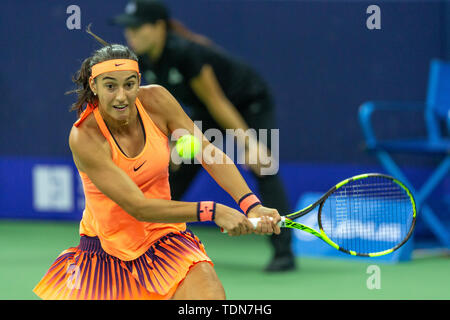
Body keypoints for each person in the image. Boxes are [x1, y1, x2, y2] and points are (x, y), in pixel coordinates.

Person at [32, 36, 281, 300]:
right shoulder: (86, 137)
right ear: (94, 85)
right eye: (110, 86)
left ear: (139, 80)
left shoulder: (157, 100)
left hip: (166, 240)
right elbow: (138, 207)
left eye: (129, 84)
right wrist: (213, 211)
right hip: (107, 255)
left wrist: (251, 204)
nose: (121, 96)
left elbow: (208, 152)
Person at [111, 0, 296, 272]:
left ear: (159, 27)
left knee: (262, 164)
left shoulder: (187, 53)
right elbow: (172, 110)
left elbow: (217, 101)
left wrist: (249, 143)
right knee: (178, 165)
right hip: (205, 111)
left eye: (137, 28)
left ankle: (284, 252)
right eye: (128, 29)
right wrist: (172, 144)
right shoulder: (144, 61)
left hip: (248, 103)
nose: (130, 34)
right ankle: (150, 239)